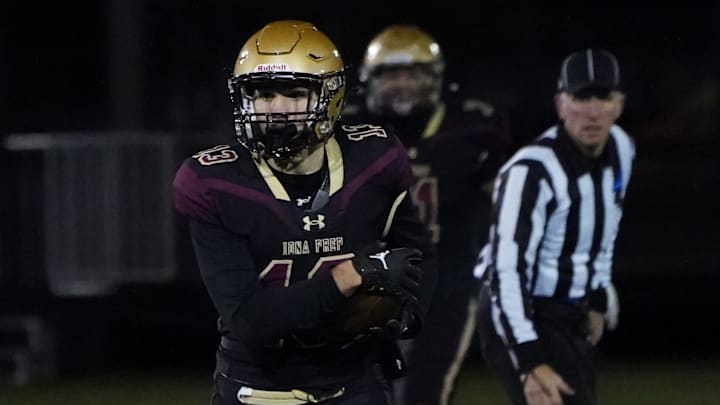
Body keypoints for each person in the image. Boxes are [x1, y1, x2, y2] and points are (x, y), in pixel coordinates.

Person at [172, 20, 438, 405]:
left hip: (356, 381)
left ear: (330, 97)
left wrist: (408, 316)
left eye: (295, 93)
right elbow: (250, 320)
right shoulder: (216, 183)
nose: (277, 110)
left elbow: (420, 254)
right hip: (260, 389)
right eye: (263, 95)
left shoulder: (374, 160)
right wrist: (351, 275)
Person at [344, 24, 512, 405]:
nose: (403, 84)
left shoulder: (472, 125)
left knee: (428, 389)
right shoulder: (349, 129)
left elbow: (503, 206)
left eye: (413, 73)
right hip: (369, 280)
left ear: (434, 77)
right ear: (370, 79)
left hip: (450, 278)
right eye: (392, 74)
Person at [475, 48, 635, 405]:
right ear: (561, 104)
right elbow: (507, 270)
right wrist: (529, 360)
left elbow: (606, 229)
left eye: (603, 96)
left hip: (569, 309)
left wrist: (596, 293)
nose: (592, 110)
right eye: (581, 97)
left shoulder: (621, 148)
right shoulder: (531, 172)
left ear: (619, 104)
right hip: (521, 309)